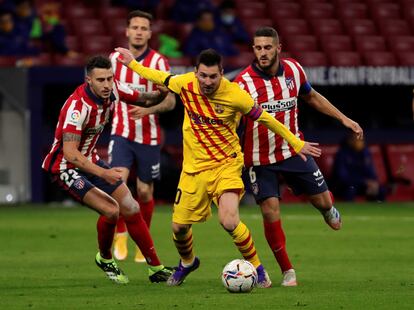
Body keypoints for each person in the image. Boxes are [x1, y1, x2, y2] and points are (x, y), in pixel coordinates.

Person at [115, 46, 322, 287]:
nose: (208, 81)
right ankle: (188, 261)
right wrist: (132, 64)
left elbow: (265, 118)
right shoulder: (184, 83)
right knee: (179, 227)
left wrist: (296, 142)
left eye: (213, 76)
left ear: (222, 73)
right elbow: (159, 77)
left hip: (226, 165)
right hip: (194, 169)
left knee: (229, 221)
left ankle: (257, 268)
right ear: (196, 73)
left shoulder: (235, 95)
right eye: (203, 75)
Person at [234, 27, 364, 287]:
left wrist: (343, 118)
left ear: (278, 48)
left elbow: (312, 97)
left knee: (324, 201)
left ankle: (327, 210)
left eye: (267, 47)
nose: (262, 52)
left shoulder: (294, 70)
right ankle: (287, 271)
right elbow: (233, 121)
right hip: (259, 159)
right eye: (258, 48)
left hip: (295, 149)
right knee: (270, 211)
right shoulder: (243, 83)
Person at [41, 55, 173, 284]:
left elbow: (143, 99)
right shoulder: (77, 107)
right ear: (88, 80)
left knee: (131, 206)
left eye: (110, 79)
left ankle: (156, 268)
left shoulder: (114, 90)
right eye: (100, 80)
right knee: (112, 210)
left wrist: (160, 94)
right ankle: (105, 258)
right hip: (65, 167)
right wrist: (103, 172)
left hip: (89, 161)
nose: (106, 84)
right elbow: (71, 154)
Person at [109, 10, 176, 263]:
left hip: (148, 136)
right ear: (127, 31)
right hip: (121, 131)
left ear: (150, 33)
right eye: (134, 27)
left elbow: (170, 101)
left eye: (143, 28)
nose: (138, 32)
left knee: (145, 192)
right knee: (118, 184)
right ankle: (121, 234)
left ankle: (142, 240)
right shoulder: (114, 59)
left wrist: (149, 108)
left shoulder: (159, 62)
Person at [331, 134, 386, 202]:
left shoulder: (365, 153)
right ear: (350, 141)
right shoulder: (342, 154)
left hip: (362, 185)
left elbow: (371, 172)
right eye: (357, 139)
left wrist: (373, 182)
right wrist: (364, 182)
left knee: (380, 189)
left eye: (361, 140)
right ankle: (349, 210)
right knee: (351, 189)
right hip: (346, 185)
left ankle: (377, 211)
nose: (360, 142)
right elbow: (343, 176)